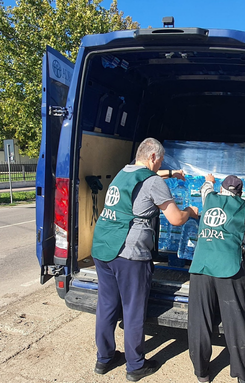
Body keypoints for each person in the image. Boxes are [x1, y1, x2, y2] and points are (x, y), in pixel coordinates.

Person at [91, 137, 198, 382]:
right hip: (130, 253)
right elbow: (176, 219)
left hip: (104, 247)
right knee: (133, 309)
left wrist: (171, 173)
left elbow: (148, 176)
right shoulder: (152, 182)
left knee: (107, 305)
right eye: (159, 161)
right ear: (152, 157)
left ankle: (104, 359)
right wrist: (191, 212)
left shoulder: (124, 172)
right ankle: (136, 365)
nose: (159, 165)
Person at [188, 174, 245, 383]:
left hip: (201, 267)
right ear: (239, 192)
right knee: (234, 321)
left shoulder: (209, 199)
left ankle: (202, 373)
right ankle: (241, 374)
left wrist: (209, 179)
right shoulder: (243, 207)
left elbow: (205, 188)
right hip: (228, 269)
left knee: (199, 321)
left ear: (222, 188)